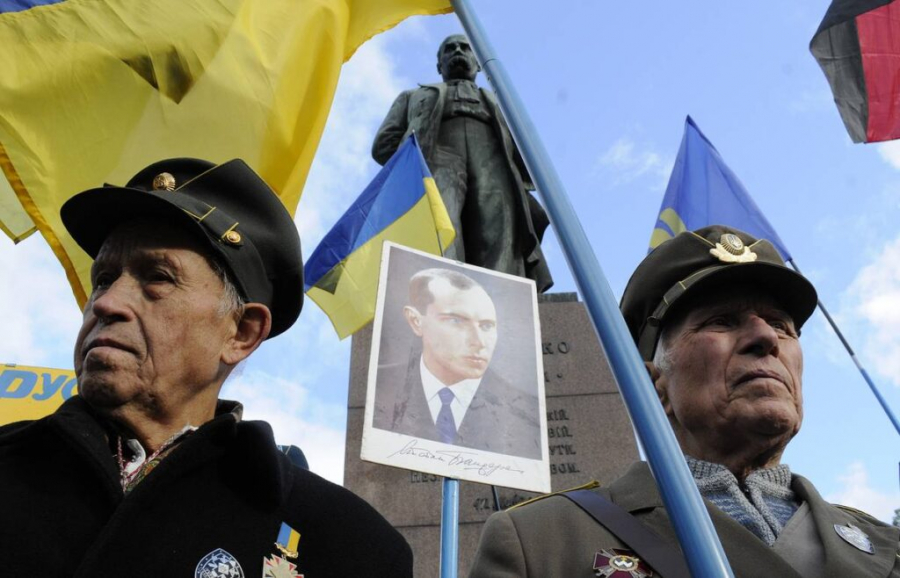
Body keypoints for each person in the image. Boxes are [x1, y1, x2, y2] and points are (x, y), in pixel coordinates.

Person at [0, 158, 413, 577]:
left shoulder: (347, 546)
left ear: (241, 333)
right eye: (104, 278)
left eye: (158, 277)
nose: (106, 303)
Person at [470, 225, 900, 577]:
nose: (766, 338)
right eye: (721, 321)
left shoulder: (887, 544)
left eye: (780, 325)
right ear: (653, 384)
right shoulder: (542, 541)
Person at [372, 34, 553, 293]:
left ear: (478, 64)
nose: (457, 51)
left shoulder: (502, 103)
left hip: (493, 163)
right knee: (441, 228)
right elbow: (383, 145)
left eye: (464, 47)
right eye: (449, 49)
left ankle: (500, 299)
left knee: (498, 233)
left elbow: (526, 150)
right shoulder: (412, 96)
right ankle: (443, 293)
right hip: (437, 160)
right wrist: (413, 162)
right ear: (439, 65)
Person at [373, 268, 541, 460]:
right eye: (456, 321)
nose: (479, 341)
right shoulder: (377, 388)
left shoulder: (527, 413)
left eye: (486, 326)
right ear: (415, 321)